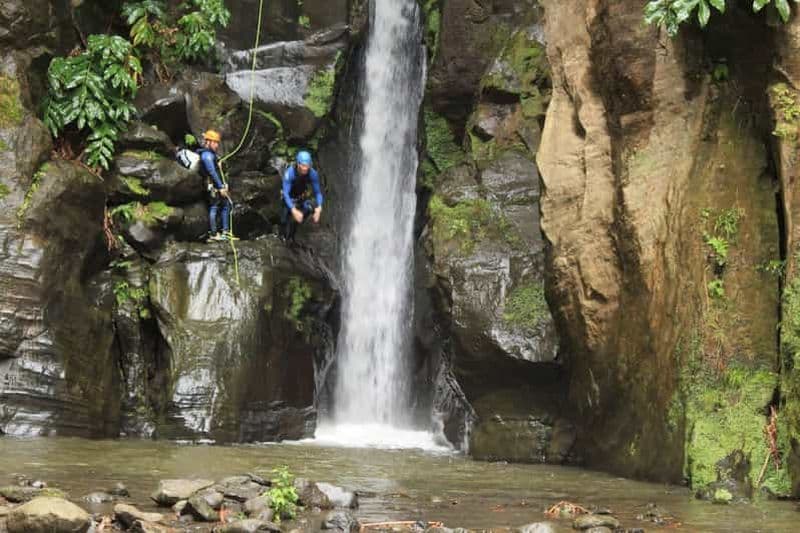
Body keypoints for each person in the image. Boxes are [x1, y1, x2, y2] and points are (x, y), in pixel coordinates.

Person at [197, 130, 235, 242]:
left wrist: (224, 184)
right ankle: (214, 233)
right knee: (215, 206)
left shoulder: (211, 155)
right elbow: (212, 172)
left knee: (226, 205)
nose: (217, 145)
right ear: (208, 142)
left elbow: (218, 171)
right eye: (214, 142)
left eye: (217, 143)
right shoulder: (206, 156)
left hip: (217, 185)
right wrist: (220, 187)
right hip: (213, 186)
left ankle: (225, 232)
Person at [281, 150, 323, 243]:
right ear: (298, 164)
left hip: (301, 197)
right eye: (303, 165)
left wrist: (319, 208)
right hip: (289, 197)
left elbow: (318, 193)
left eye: (307, 166)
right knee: (284, 220)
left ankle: (293, 234)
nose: (305, 168)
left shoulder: (312, 174)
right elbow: (286, 193)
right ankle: (283, 237)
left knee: (307, 210)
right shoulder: (290, 173)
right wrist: (293, 210)